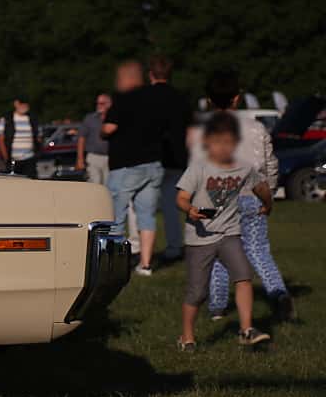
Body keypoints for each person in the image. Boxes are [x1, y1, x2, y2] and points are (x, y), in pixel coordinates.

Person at [175, 111, 272, 349]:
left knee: (244, 276)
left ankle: (246, 330)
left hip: (230, 233)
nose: (223, 147)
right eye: (218, 141)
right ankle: (186, 337)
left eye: (228, 142)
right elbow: (181, 197)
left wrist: (267, 204)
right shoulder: (198, 168)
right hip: (200, 238)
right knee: (197, 292)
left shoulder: (243, 168)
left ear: (236, 143)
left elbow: (260, 186)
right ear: (208, 142)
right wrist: (190, 209)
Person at [204, 70, 295, 323]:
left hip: (218, 199)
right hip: (253, 195)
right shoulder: (255, 128)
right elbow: (270, 163)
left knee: (220, 254)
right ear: (237, 98)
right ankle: (278, 294)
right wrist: (269, 193)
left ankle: (217, 306)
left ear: (208, 100)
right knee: (258, 251)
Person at [103, 59, 165, 276]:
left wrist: (103, 130)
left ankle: (115, 265)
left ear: (126, 78)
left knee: (116, 216)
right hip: (153, 164)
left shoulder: (122, 100)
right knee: (147, 216)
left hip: (126, 165)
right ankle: (145, 264)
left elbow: (109, 128)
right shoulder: (155, 99)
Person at [149, 55, 195, 264]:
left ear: (151, 74)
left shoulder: (144, 97)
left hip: (150, 157)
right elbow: (190, 132)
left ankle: (142, 248)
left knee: (144, 207)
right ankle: (175, 246)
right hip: (177, 157)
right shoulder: (181, 98)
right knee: (173, 205)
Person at [77, 92, 112, 185]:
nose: (99, 105)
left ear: (109, 104)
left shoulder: (114, 118)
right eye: (97, 103)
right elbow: (81, 138)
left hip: (110, 158)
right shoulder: (90, 118)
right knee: (95, 183)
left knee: (108, 185)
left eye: (102, 103)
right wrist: (80, 159)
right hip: (93, 157)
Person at [0, 96, 39, 177]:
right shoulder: (7, 119)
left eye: (27, 105)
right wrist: (6, 158)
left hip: (29, 159)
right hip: (13, 159)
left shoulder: (32, 118)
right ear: (16, 104)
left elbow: (38, 137)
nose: (25, 107)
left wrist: (38, 153)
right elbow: (1, 139)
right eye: (22, 104)